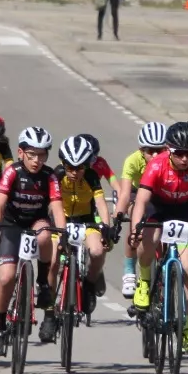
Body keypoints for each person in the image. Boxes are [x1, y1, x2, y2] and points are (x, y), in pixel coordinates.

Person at [129, 121, 188, 356]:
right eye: (179, 153)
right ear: (169, 150)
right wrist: (135, 229)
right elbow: (140, 201)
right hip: (157, 210)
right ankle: (145, 281)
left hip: (182, 213)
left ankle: (187, 330)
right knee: (148, 237)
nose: (184, 159)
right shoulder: (157, 165)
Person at [0, 126, 65, 356]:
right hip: (12, 225)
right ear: (21, 153)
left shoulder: (49, 176)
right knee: (6, 277)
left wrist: (62, 235)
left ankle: (42, 283)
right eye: (32, 154)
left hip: (36, 221)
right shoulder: (12, 172)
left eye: (42, 155)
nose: (37, 160)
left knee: (44, 234)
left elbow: (57, 208)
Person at [54, 131, 116, 333]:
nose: (74, 172)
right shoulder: (56, 175)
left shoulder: (91, 177)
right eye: (70, 167)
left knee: (98, 251)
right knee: (53, 256)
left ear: (86, 165)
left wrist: (106, 227)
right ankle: (48, 297)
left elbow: (100, 203)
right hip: (61, 221)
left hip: (86, 221)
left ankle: (89, 285)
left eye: (79, 167)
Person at [118, 121, 167, 299]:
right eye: (149, 150)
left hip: (160, 195)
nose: (154, 154)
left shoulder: (170, 162)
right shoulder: (132, 161)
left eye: (160, 150)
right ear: (141, 150)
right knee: (135, 221)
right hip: (136, 193)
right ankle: (130, 271)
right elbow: (124, 194)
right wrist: (117, 217)